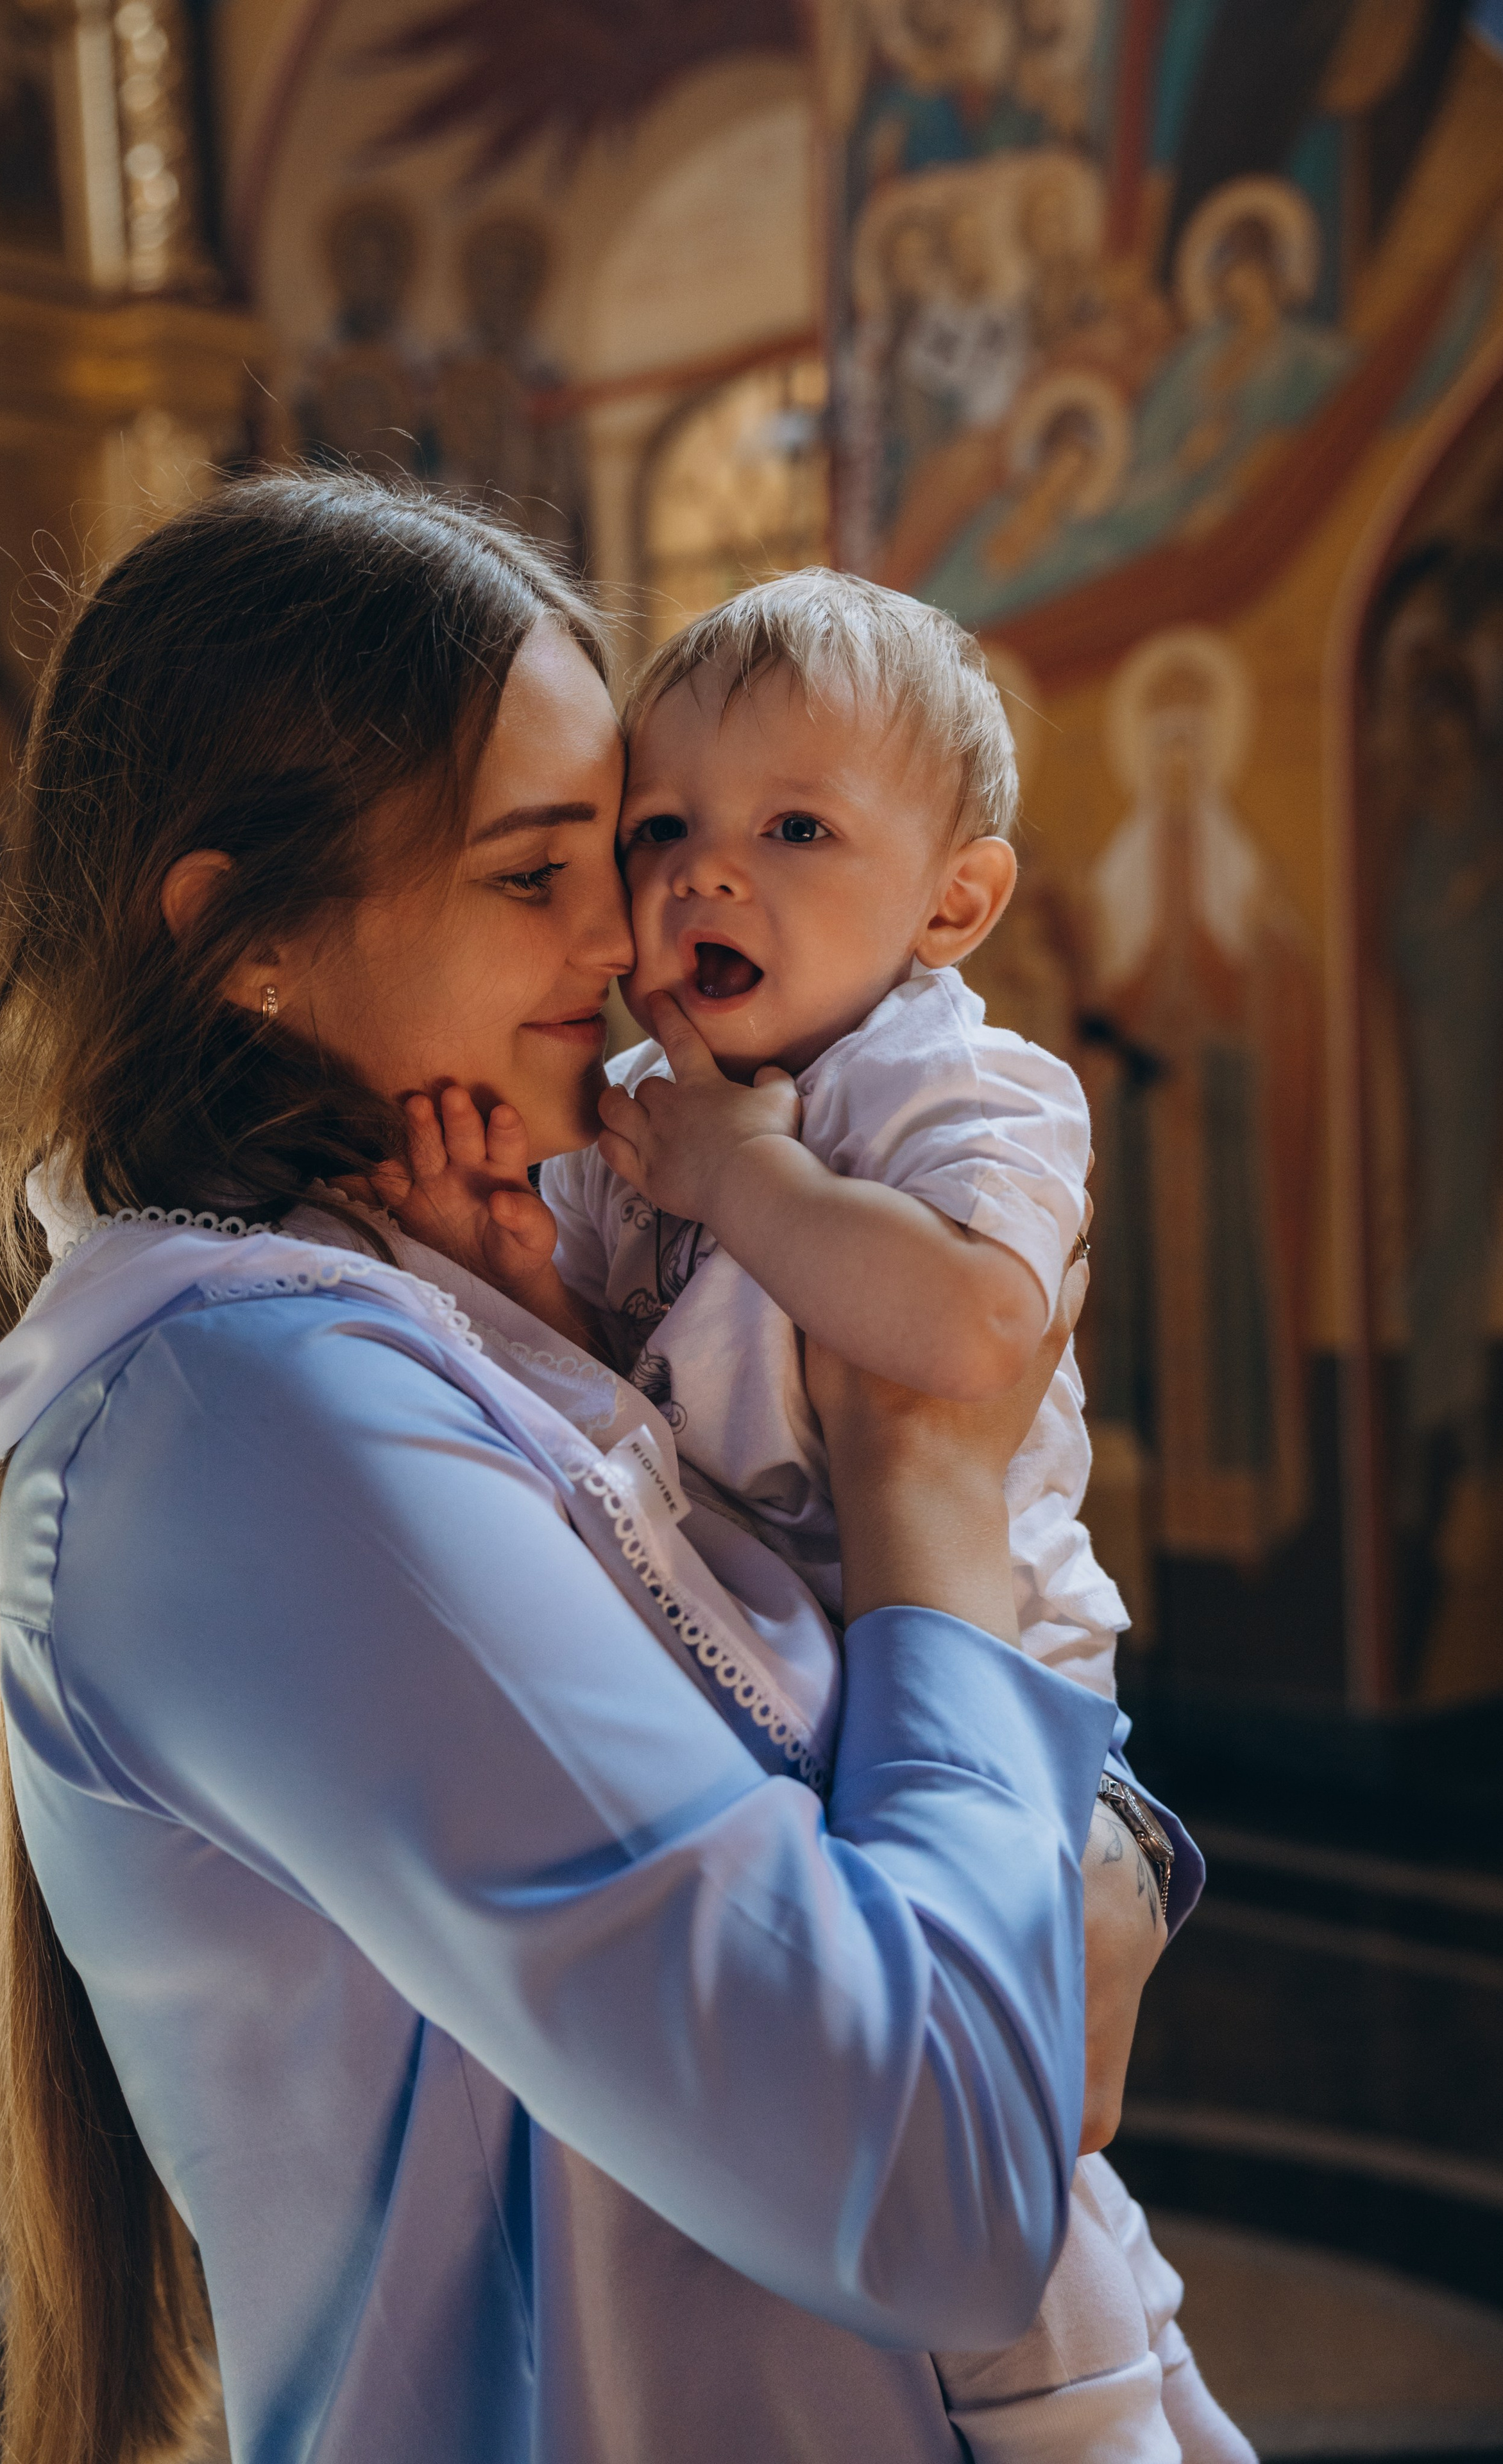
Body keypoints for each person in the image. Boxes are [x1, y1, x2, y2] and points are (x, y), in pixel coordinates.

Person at [0, 474, 1191, 2464]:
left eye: (617, 849)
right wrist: (933, 1506)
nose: (630, 935)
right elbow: (935, 2177)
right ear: (240, 935)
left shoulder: (459, 1308)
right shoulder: (254, 1410)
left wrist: (1103, 1864)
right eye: (545, 873)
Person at [457, 567, 1244, 2461]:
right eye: (666, 828)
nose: (709, 875)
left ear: (951, 902)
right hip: (783, 1700)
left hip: (989, 1705)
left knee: (1017, 2223)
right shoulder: (651, 1102)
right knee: (860, 2194)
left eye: (797, 829)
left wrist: (746, 1177)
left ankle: (1111, 2427)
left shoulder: (953, 1080)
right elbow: (621, 1387)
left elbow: (970, 1329)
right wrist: (516, 1262)